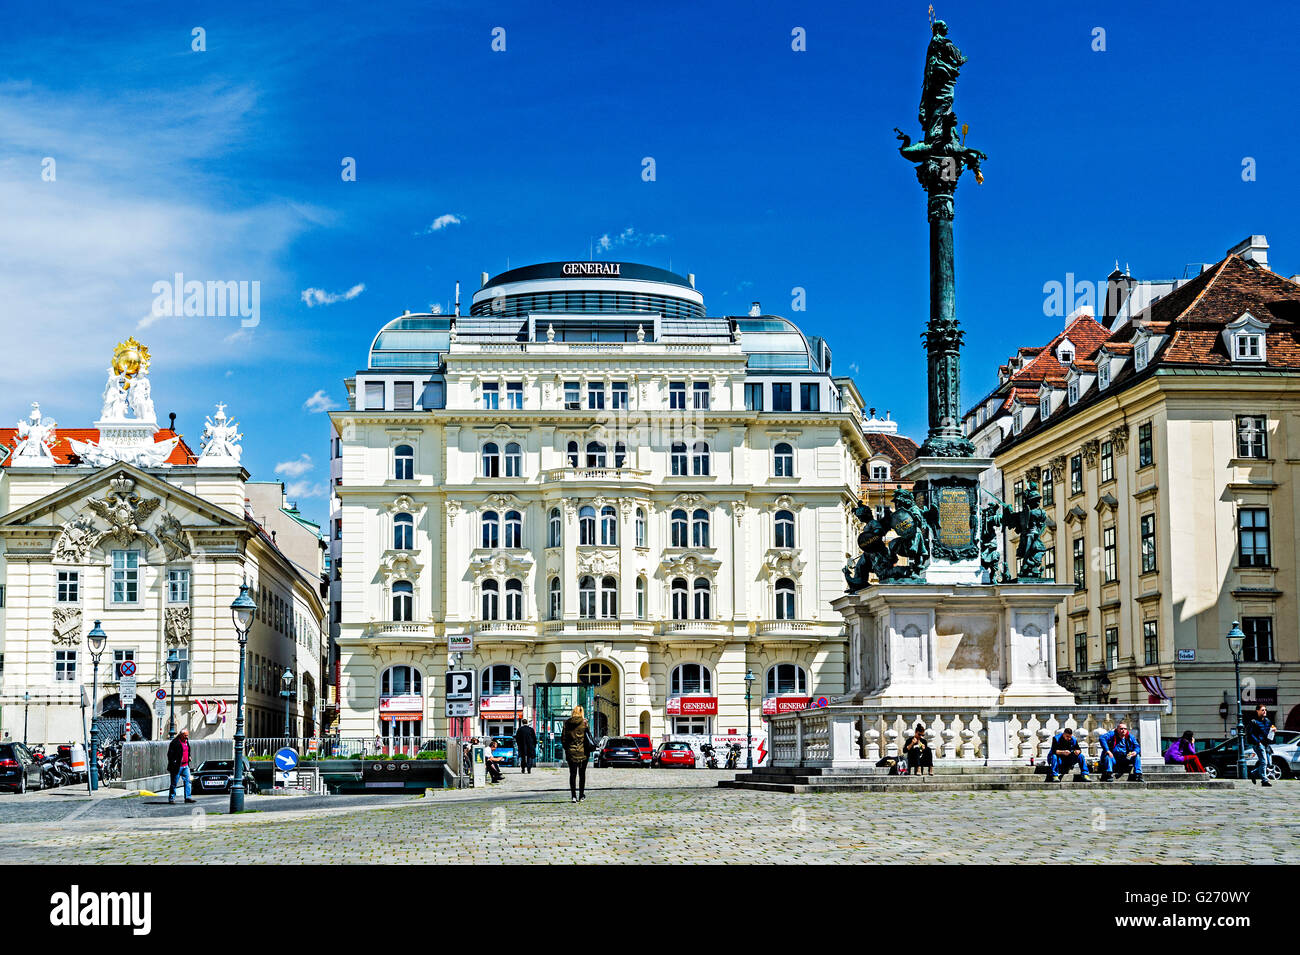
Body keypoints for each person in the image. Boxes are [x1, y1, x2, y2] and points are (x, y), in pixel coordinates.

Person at [561, 704, 593, 802]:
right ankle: (581, 795)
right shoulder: (584, 723)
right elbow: (588, 737)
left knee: (572, 774)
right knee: (582, 774)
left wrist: (567, 748)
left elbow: (563, 739)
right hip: (583, 752)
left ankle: (573, 796)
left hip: (571, 752)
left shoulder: (567, 723)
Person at [1245, 704, 1275, 788]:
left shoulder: (1268, 721)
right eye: (1262, 710)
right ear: (1257, 711)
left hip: (1266, 744)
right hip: (1258, 744)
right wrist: (1258, 742)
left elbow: (1269, 732)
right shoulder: (1253, 721)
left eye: (1265, 710)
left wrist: (1273, 730)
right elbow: (1249, 733)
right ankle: (1264, 780)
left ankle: (1254, 772)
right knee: (1263, 762)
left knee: (1269, 763)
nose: (1264, 711)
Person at [167, 729, 196, 804]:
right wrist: (174, 762)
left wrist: (189, 756)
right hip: (177, 766)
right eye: (185, 735)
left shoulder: (186, 741)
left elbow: (187, 750)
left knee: (188, 781)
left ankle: (188, 797)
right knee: (174, 783)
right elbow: (170, 754)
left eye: (187, 735)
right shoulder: (174, 743)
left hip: (185, 765)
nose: (187, 737)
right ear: (181, 735)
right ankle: (171, 798)